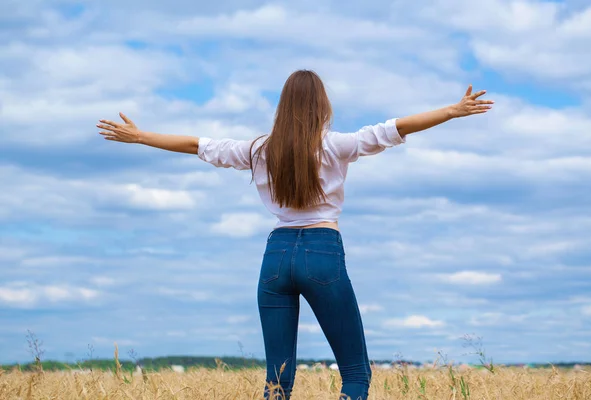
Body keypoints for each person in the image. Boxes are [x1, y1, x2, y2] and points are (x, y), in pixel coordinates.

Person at [97, 70, 493, 400]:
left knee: (277, 381)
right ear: (323, 106)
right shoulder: (336, 146)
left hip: (276, 258)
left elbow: (198, 145)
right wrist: (453, 111)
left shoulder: (257, 150)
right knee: (355, 374)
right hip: (322, 251)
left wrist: (140, 136)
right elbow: (395, 128)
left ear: (281, 108)